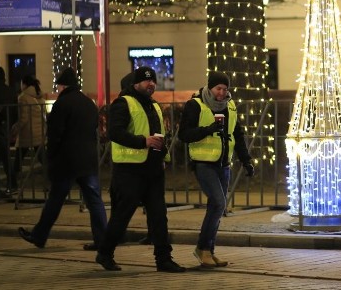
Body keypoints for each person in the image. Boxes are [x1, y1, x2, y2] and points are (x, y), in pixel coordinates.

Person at [94, 66, 185, 273]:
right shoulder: (123, 103)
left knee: (159, 215)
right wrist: (142, 142)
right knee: (123, 215)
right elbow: (115, 133)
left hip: (153, 169)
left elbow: (160, 136)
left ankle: (163, 259)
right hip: (129, 170)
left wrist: (164, 158)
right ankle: (105, 252)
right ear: (136, 84)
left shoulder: (153, 105)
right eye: (146, 81)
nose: (151, 84)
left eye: (153, 80)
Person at [18, 67, 108, 250]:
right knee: (94, 200)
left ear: (62, 85)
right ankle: (103, 240)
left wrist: (51, 159)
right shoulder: (89, 103)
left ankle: (39, 235)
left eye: (58, 86)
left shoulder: (62, 104)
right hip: (88, 160)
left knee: (55, 199)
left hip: (67, 161)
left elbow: (55, 135)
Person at [178, 70, 254, 268]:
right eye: (218, 88)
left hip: (223, 164)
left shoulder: (230, 106)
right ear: (210, 87)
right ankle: (202, 248)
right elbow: (184, 134)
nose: (222, 92)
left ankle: (208, 252)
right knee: (219, 203)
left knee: (216, 208)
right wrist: (208, 130)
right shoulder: (195, 105)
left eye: (225, 89)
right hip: (203, 162)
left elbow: (237, 135)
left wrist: (246, 161)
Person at [10, 75, 46, 188]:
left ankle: (12, 184)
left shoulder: (23, 97)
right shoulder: (39, 96)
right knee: (44, 160)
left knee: (18, 160)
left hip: (27, 134)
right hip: (39, 132)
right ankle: (51, 183)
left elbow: (23, 118)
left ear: (25, 84)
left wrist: (15, 128)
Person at [0, 67, 19, 192]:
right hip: (6, 125)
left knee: (0, 155)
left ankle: (9, 183)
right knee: (2, 155)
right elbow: (15, 109)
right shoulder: (10, 90)